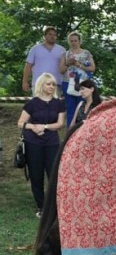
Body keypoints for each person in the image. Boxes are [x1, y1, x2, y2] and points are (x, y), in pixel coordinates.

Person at [16, 73, 66, 217]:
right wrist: (32, 127)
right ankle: (42, 207)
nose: (51, 87)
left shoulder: (59, 103)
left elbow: (60, 124)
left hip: (52, 143)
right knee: (36, 176)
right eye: (48, 84)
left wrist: (43, 127)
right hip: (33, 143)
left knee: (53, 175)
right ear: (41, 85)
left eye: (53, 84)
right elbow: (20, 123)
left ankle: (54, 207)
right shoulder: (32, 103)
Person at [59, 31, 97, 127]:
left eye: (75, 40)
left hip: (83, 85)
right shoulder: (65, 54)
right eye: (71, 41)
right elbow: (61, 70)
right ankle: (70, 133)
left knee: (83, 107)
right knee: (70, 109)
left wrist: (78, 65)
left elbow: (92, 68)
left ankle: (81, 130)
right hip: (68, 84)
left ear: (80, 41)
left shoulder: (86, 53)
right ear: (68, 42)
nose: (73, 43)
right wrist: (68, 63)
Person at [22, 26, 66, 95]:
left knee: (54, 105)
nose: (52, 36)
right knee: (38, 105)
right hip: (39, 83)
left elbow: (65, 67)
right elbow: (28, 66)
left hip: (56, 84)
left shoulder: (62, 50)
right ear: (45, 36)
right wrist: (25, 82)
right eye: (50, 34)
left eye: (54, 35)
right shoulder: (35, 49)